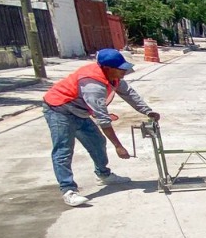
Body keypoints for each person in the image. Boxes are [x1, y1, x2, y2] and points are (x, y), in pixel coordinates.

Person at [42, 48, 159, 207]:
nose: (124, 71)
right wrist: (118, 146)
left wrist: (148, 111)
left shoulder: (113, 76)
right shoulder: (92, 84)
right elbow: (103, 119)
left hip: (80, 111)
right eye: (121, 68)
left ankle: (103, 175)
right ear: (108, 68)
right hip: (59, 111)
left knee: (97, 142)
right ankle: (68, 190)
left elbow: (129, 93)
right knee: (63, 150)